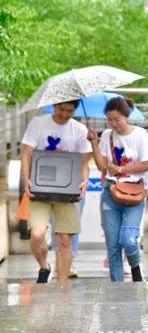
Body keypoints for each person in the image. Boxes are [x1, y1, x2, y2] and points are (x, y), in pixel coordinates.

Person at [21, 100, 91, 284]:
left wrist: (84, 181)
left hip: (67, 191)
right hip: (40, 188)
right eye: (61, 109)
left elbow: (85, 162)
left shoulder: (80, 130)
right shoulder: (38, 123)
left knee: (65, 240)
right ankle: (44, 266)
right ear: (54, 106)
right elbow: (27, 153)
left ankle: (62, 286)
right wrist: (26, 179)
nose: (64, 114)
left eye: (69, 111)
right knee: (37, 235)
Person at [87, 97, 148, 282]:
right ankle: (117, 287)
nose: (113, 123)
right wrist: (94, 143)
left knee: (128, 240)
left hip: (134, 192)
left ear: (126, 116)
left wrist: (121, 169)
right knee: (112, 245)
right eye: (109, 119)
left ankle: (134, 265)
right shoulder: (107, 136)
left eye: (117, 119)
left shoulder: (140, 134)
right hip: (111, 192)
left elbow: (146, 165)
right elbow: (102, 166)